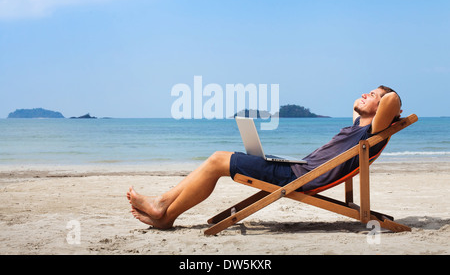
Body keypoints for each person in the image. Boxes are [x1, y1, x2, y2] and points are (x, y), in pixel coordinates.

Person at [127, 85, 402, 229]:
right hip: (297, 169)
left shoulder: (373, 130)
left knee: (217, 160)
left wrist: (387, 98)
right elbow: (357, 106)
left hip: (298, 177)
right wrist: (372, 97)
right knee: (220, 158)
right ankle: (163, 208)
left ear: (384, 109)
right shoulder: (359, 125)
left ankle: (164, 209)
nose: (365, 95)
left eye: (373, 95)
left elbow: (390, 102)